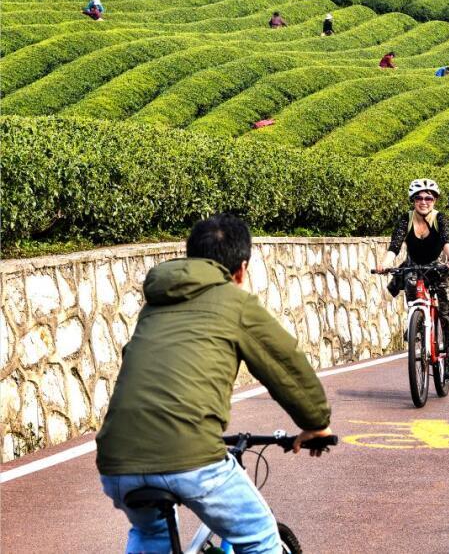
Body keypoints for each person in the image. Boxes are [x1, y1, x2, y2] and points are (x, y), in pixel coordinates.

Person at [96, 214, 332, 554]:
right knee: (260, 535)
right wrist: (316, 424)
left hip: (117, 460)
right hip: (189, 455)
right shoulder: (234, 302)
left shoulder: (155, 305)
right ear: (242, 269)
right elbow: (286, 365)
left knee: (151, 536)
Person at [382, 179, 449, 379]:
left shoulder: (439, 218)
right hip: (414, 266)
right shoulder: (406, 219)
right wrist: (385, 262)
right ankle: (416, 323)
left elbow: (446, 241)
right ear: (413, 200)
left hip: (439, 268)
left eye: (429, 198)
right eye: (419, 198)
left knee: (448, 314)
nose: (424, 201)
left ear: (435, 200)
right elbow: (395, 245)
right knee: (411, 286)